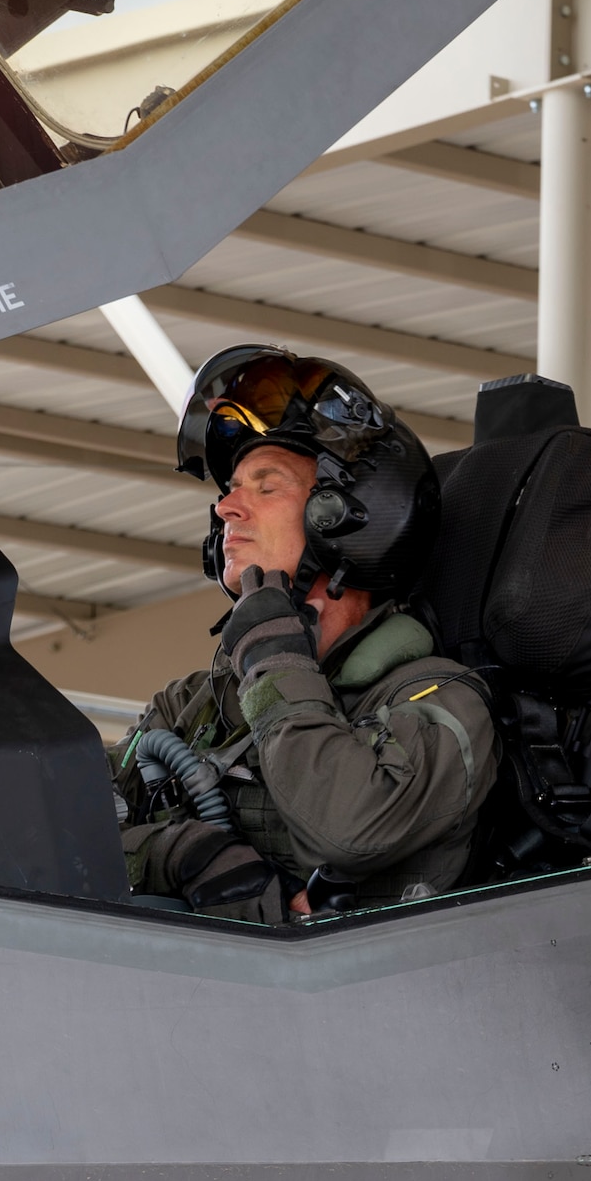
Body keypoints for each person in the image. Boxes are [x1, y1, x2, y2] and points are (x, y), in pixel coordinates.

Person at [115, 345, 497, 923]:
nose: (226, 509)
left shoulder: (442, 706)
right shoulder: (196, 704)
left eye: (266, 488)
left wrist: (274, 657)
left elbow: (346, 829)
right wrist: (183, 855)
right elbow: (57, 829)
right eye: (231, 488)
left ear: (345, 518)